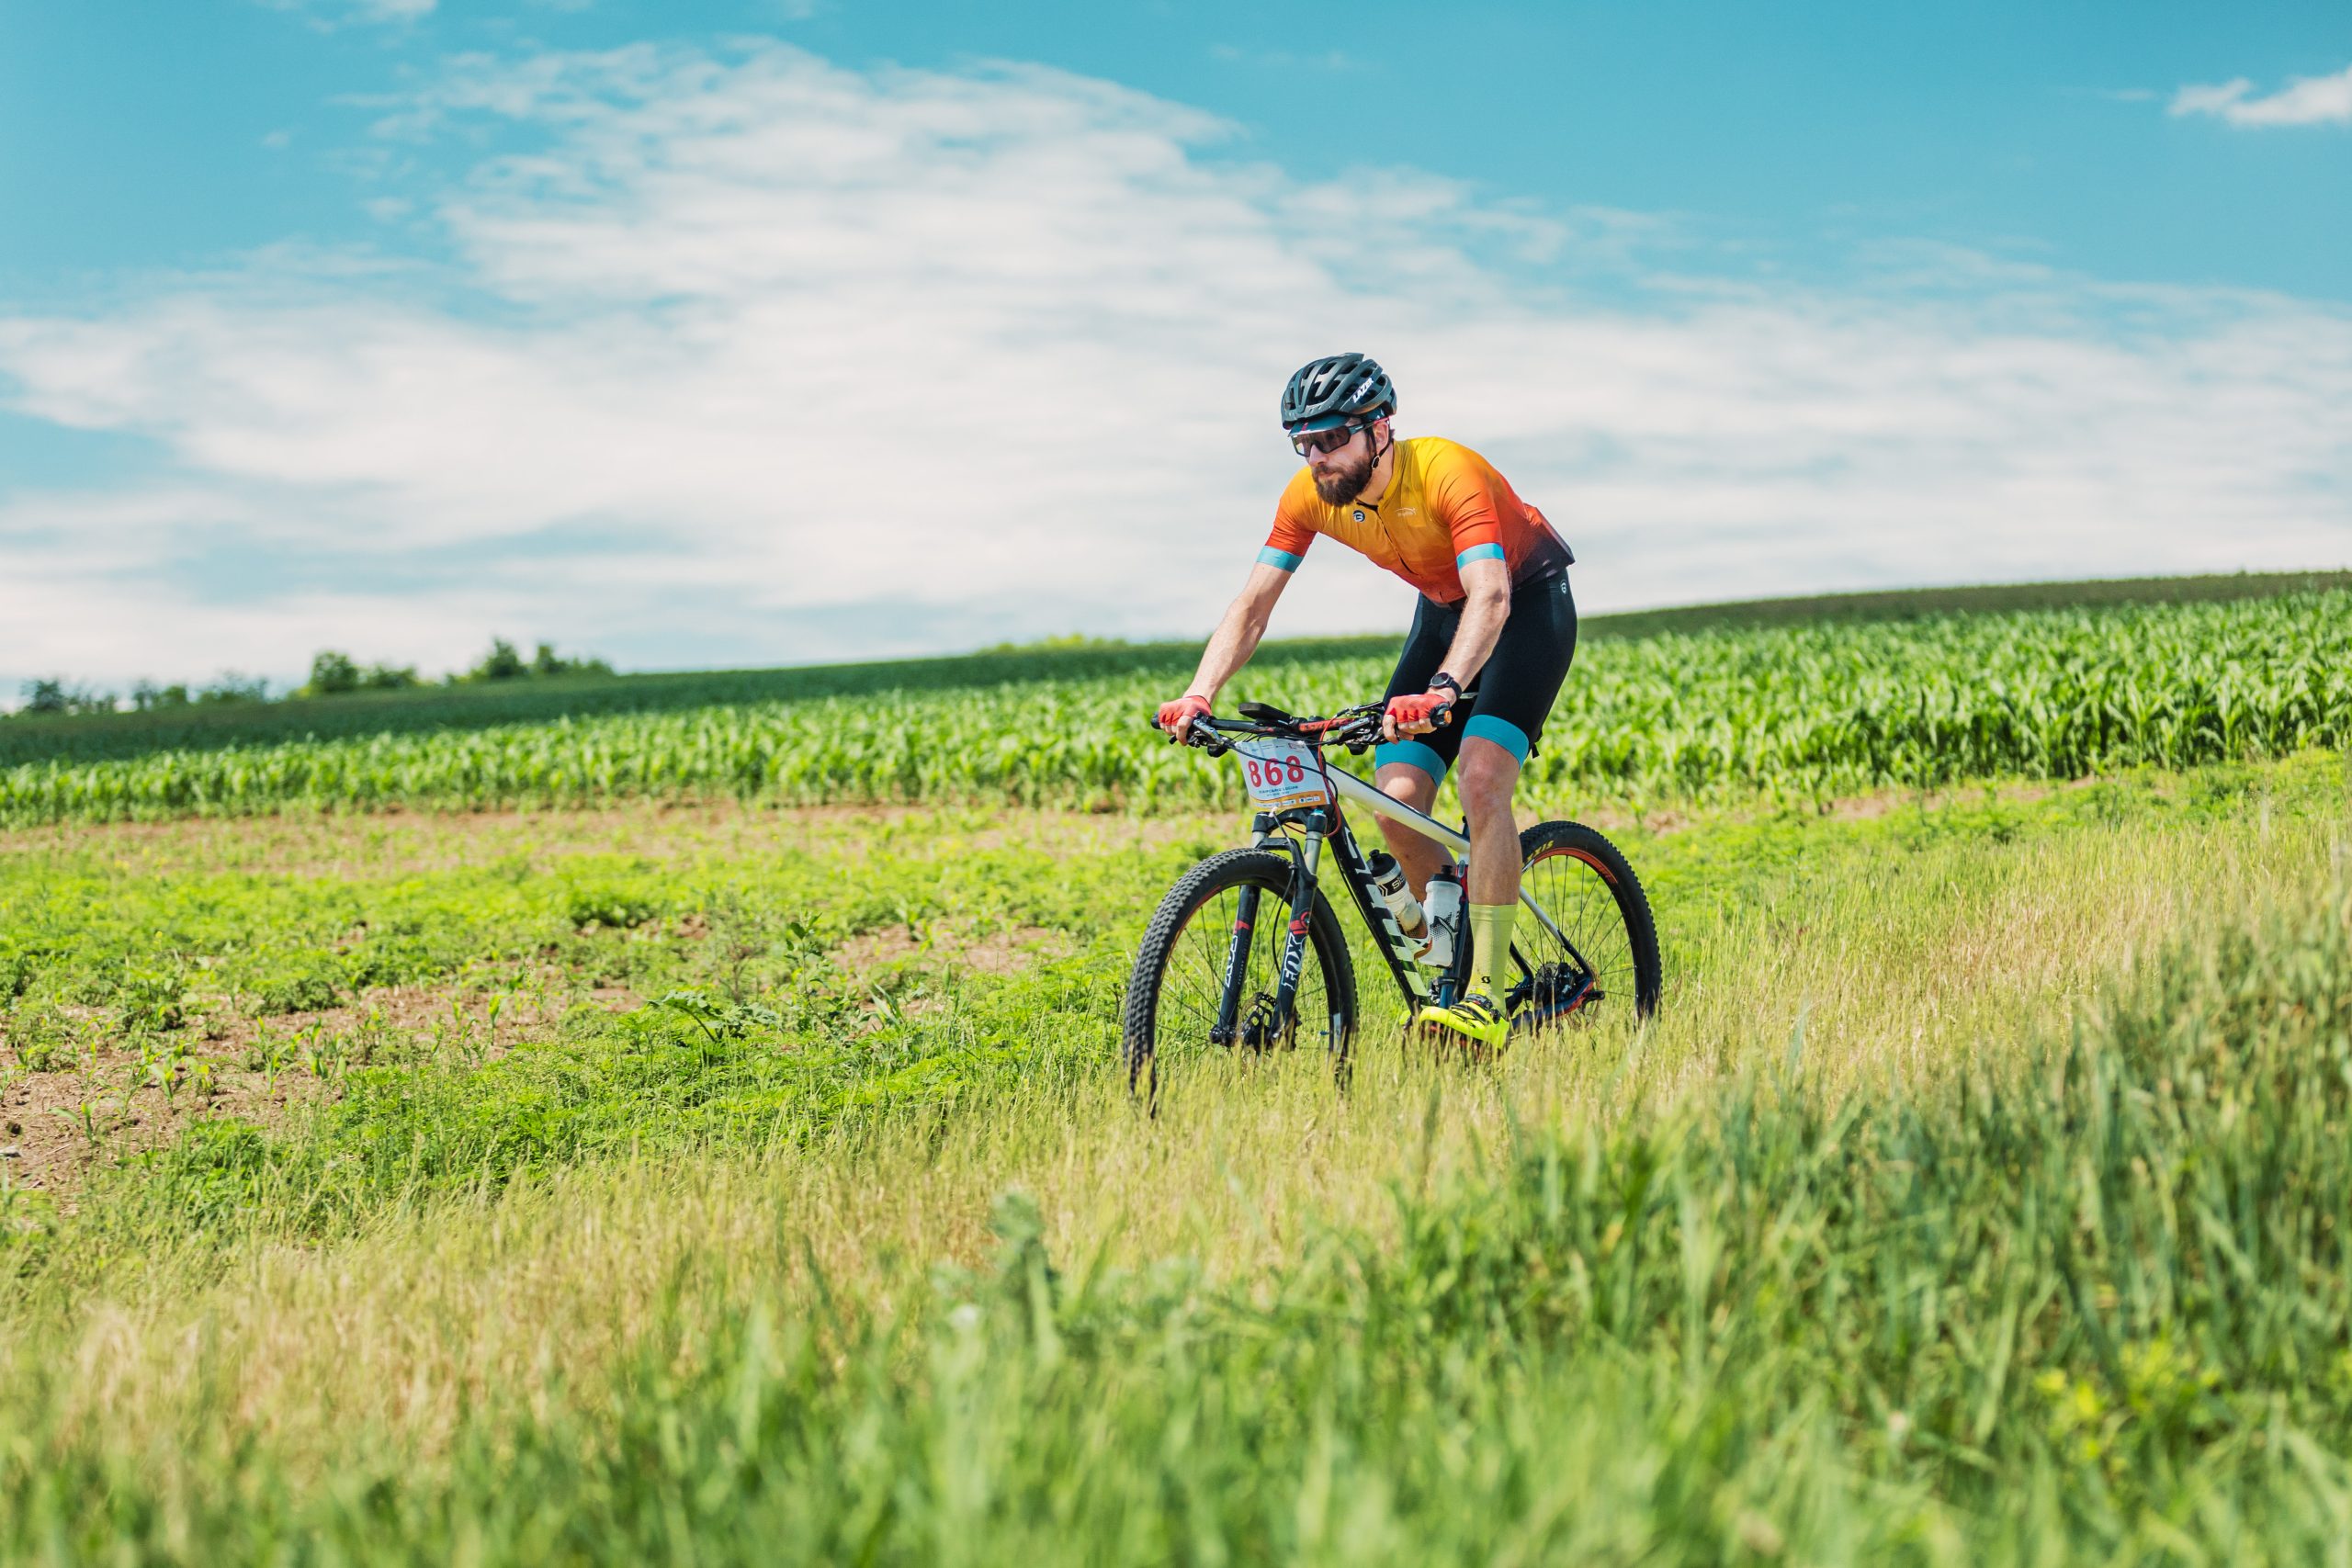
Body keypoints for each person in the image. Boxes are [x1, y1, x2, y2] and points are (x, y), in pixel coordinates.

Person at [1155, 353, 1578, 1050]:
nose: (1317, 457)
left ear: (1379, 429)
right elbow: (1254, 604)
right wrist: (1201, 690)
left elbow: (1494, 596)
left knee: (1480, 775)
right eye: (1304, 442)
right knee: (1398, 796)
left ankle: (1486, 994)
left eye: (1331, 438)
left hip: (1526, 604)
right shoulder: (1308, 495)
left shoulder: (1448, 471)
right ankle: (1450, 955)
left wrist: (1445, 689)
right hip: (1445, 613)